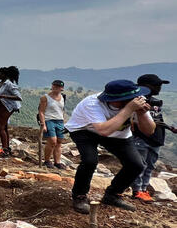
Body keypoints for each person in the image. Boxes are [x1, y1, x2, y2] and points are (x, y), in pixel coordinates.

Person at [65, 80, 155, 214]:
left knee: (136, 164)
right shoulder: (93, 104)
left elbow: (150, 130)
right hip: (84, 130)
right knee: (90, 161)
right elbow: (103, 131)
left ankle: (112, 195)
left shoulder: (136, 103)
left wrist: (141, 114)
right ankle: (79, 196)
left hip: (118, 134)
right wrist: (128, 109)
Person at [131, 74, 177, 202]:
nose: (159, 88)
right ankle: (137, 191)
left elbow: (156, 120)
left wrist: (169, 127)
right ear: (146, 86)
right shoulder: (137, 101)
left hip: (156, 139)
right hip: (141, 138)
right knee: (140, 165)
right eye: (157, 85)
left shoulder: (154, 102)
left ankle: (144, 190)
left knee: (149, 166)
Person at [37, 80, 67, 169]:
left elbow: (62, 110)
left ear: (62, 88)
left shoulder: (63, 97)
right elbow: (41, 111)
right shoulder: (45, 98)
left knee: (59, 141)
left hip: (60, 121)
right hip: (49, 120)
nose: (56, 88)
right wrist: (43, 124)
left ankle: (57, 162)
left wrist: (64, 121)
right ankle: (47, 161)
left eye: (58, 86)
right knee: (52, 141)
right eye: (54, 86)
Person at [0, 66, 22, 157]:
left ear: (4, 75)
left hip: (7, 107)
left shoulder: (9, 84)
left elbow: (19, 97)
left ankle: (4, 149)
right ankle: (6, 147)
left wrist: (4, 96)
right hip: (2, 106)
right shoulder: (2, 83)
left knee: (0, 126)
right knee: (3, 126)